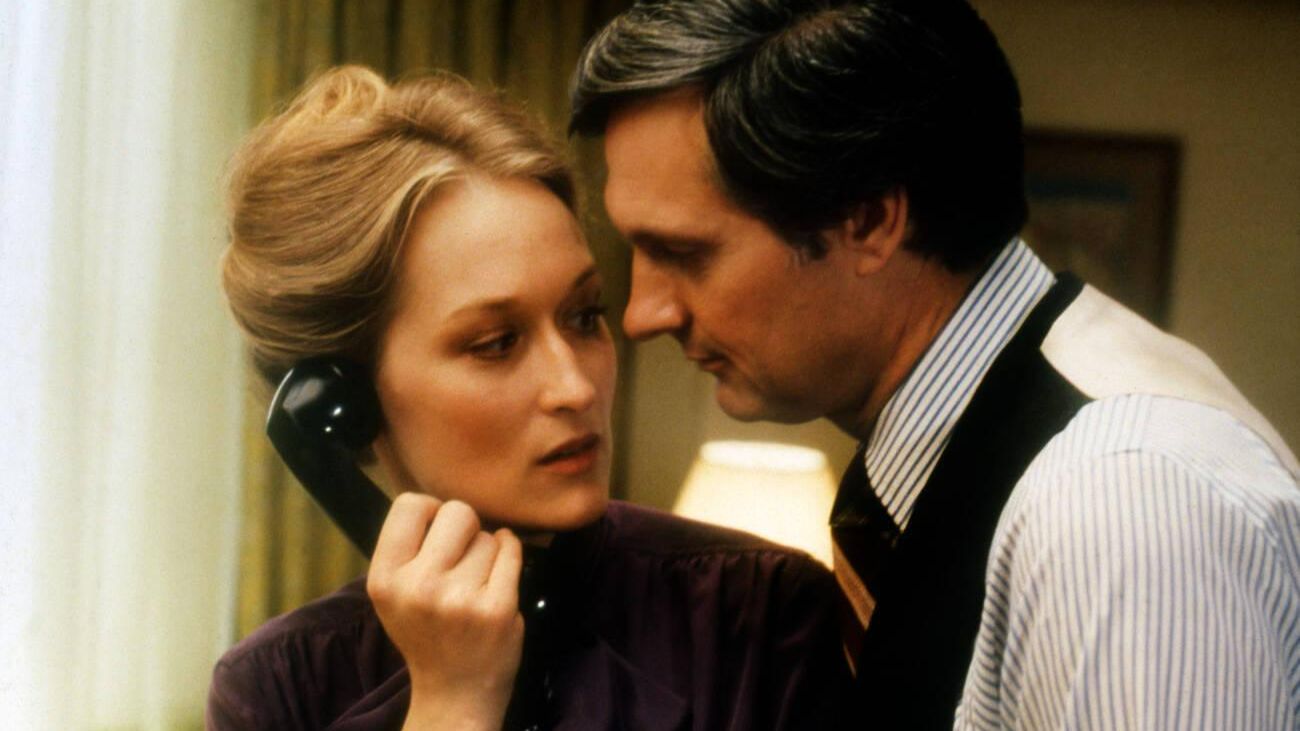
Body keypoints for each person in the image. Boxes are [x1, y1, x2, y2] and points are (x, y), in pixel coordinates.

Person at [569, 0, 1300, 728]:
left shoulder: (1118, 503)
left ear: (869, 220)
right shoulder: (970, 466)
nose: (642, 315)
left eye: (683, 253)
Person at [206, 65, 851, 730]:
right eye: (496, 343)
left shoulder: (764, 616)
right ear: (345, 402)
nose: (576, 386)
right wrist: (453, 702)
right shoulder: (278, 687)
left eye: (584, 316)